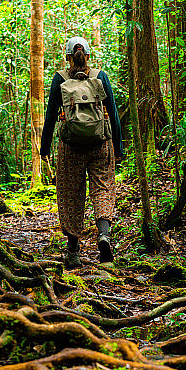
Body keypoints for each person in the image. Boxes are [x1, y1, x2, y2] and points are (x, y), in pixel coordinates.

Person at [40, 36, 124, 269]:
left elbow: (50, 116)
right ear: (89, 55)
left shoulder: (60, 78)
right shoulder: (100, 76)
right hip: (101, 143)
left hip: (70, 147)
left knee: (70, 194)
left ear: (67, 56)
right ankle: (104, 236)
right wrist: (118, 147)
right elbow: (113, 113)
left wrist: (44, 148)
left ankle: (74, 252)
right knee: (103, 189)